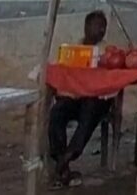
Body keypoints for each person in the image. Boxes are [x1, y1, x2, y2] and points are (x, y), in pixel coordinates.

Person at [48, 11, 113, 187]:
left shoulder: (107, 50)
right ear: (86, 27)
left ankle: (69, 155)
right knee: (57, 112)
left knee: (90, 109)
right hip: (74, 97)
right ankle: (62, 162)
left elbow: (111, 78)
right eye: (97, 25)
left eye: (104, 27)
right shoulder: (72, 49)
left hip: (97, 99)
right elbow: (61, 74)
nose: (101, 30)